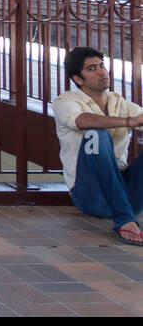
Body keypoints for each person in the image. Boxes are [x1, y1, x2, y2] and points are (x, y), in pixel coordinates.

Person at [53, 47, 143, 244]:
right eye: (92, 69)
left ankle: (125, 212)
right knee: (96, 134)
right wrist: (128, 122)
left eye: (102, 65)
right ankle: (124, 220)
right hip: (92, 195)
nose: (102, 71)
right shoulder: (65, 101)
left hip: (128, 193)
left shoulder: (119, 102)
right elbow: (83, 120)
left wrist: (134, 120)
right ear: (78, 79)